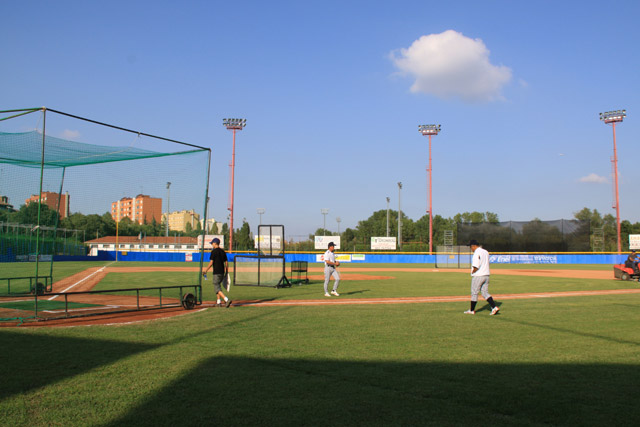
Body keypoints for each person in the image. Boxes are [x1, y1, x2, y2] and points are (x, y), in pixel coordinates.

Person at [464, 239, 499, 315]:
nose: (471, 249)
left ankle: (472, 310)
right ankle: (494, 307)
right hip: (486, 275)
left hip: (478, 275)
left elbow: (476, 266)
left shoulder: (477, 253)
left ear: (473, 246)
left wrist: (473, 271)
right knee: (485, 292)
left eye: (470, 247)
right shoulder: (485, 251)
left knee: (474, 293)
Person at [202, 238, 232, 307]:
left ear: (215, 243)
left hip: (216, 272)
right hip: (222, 271)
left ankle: (226, 299)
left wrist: (206, 270)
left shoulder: (214, 252)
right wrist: (227, 270)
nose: (212, 244)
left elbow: (211, 262)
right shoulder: (222, 251)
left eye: (212, 243)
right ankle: (218, 302)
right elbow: (226, 262)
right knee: (218, 285)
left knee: (216, 286)